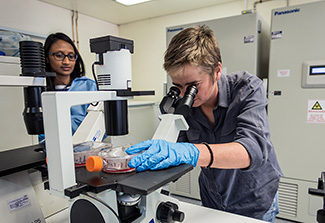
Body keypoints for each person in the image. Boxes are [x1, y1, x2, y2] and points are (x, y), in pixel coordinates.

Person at [126, 26, 283, 222]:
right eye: (177, 86)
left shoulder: (246, 88)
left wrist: (191, 152)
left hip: (254, 199)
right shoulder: (183, 104)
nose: (184, 95)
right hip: (213, 198)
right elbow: (175, 153)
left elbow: (254, 150)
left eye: (193, 87)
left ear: (217, 71)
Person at [39, 32, 97, 142]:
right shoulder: (39, 88)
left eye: (71, 56)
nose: (66, 62)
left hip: (85, 149)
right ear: (47, 58)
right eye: (59, 55)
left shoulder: (88, 86)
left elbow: (97, 126)